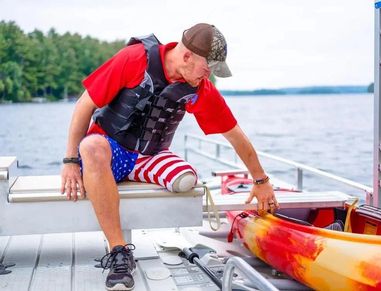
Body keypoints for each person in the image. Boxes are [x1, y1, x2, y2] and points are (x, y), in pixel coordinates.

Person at [61, 23, 279, 291]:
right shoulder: (134, 59)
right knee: (91, 148)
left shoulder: (199, 88)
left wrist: (261, 180)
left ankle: (138, 176)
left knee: (187, 180)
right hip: (110, 149)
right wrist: (70, 162)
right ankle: (119, 252)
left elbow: (234, 135)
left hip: (150, 156)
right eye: (207, 68)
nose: (208, 76)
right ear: (187, 56)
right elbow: (85, 103)